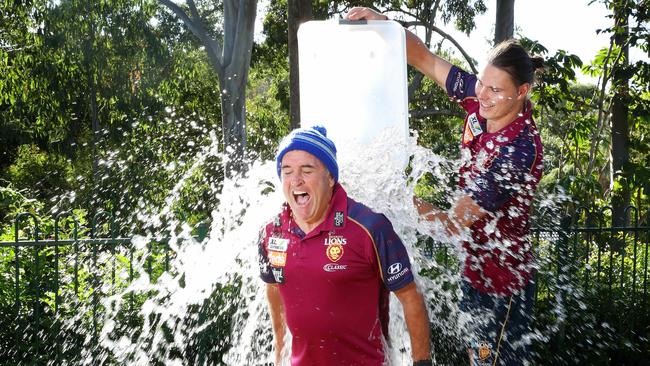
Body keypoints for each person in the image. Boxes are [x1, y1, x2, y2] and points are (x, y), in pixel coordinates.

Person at [346, 8, 544, 366]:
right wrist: (385, 24)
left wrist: (398, 195)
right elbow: (422, 57)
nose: (482, 94)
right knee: (479, 358)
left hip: (504, 287)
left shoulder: (519, 150)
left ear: (522, 92)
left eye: (495, 90)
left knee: (491, 361)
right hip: (475, 273)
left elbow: (452, 224)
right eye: (481, 83)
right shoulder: (480, 98)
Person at [258, 125, 432, 366]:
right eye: (287, 171)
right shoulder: (271, 233)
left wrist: (422, 363)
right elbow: (274, 289)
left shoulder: (370, 227)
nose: (295, 180)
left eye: (306, 170)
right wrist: (280, 354)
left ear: (330, 177)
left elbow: (410, 296)